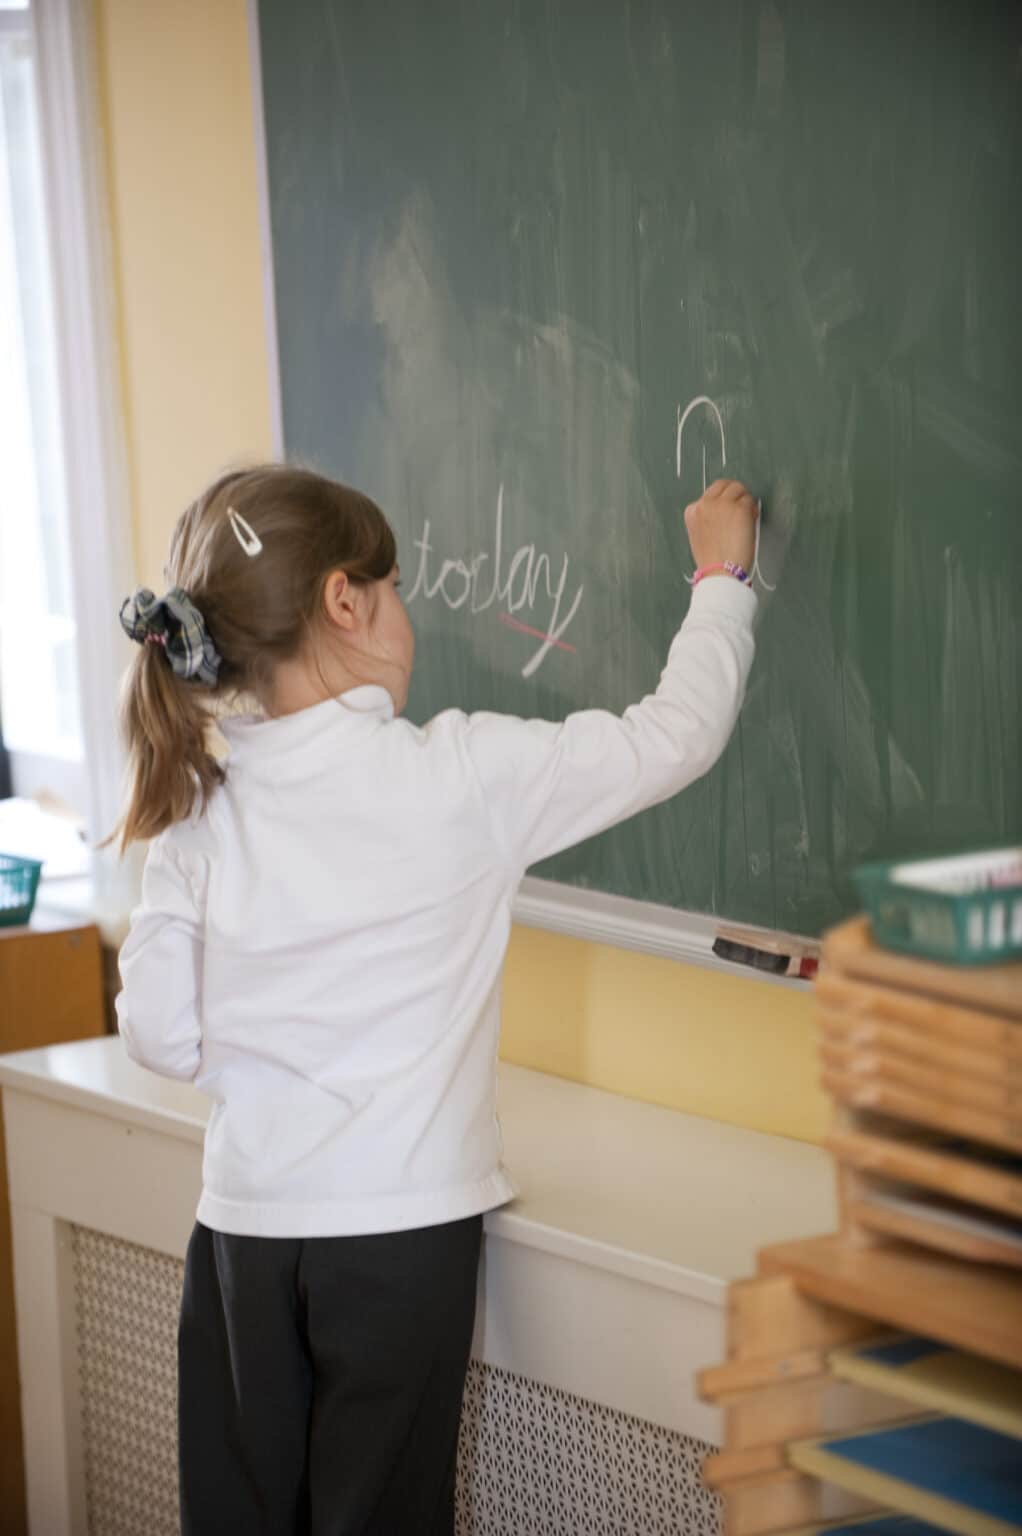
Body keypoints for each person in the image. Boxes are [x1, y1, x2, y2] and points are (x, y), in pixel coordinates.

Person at [115, 464, 759, 1535]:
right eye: (396, 584)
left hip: (241, 1235)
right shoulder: (460, 776)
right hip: (399, 1237)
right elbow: (670, 736)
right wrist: (721, 576)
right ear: (342, 600)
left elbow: (158, 1037)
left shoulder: (199, 813)